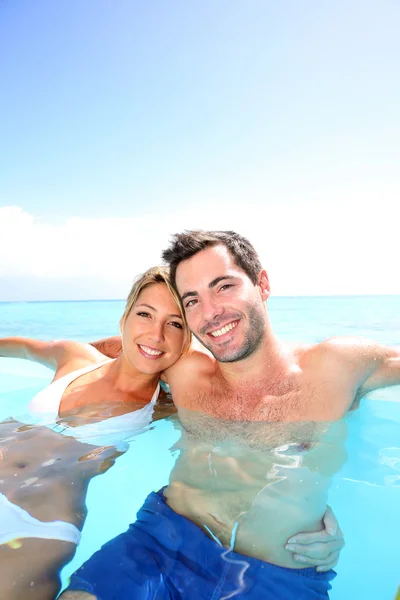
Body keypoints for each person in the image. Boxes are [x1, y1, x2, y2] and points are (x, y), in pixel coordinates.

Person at [61, 229, 399, 600]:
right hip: (161, 543)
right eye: (192, 301)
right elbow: (119, 347)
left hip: (277, 575)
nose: (210, 313)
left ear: (262, 284)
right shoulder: (186, 371)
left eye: (223, 287)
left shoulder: (337, 367)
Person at [0, 267, 190, 600]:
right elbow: (22, 349)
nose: (156, 334)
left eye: (175, 323)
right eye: (145, 314)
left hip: (36, 523)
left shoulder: (167, 407)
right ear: (124, 319)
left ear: (188, 338)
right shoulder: (75, 357)